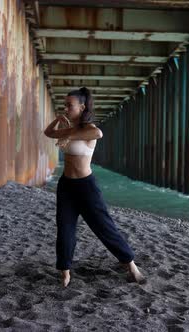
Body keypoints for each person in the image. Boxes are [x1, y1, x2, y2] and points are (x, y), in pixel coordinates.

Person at [43, 87, 146, 287]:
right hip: (66, 186)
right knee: (65, 228)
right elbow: (48, 132)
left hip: (86, 186)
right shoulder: (70, 128)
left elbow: (98, 132)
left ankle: (131, 266)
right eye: (65, 105)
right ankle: (65, 273)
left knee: (103, 227)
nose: (66, 108)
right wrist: (59, 120)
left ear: (82, 107)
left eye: (69, 106)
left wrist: (68, 137)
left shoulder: (88, 130)